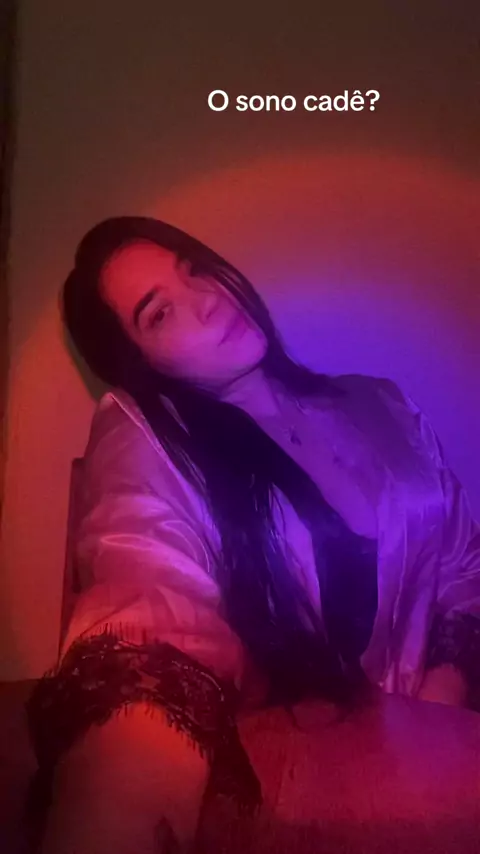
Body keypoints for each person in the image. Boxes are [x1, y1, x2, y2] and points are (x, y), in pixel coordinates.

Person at [27, 217, 480, 853]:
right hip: (292, 795)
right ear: (141, 363)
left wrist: (441, 697)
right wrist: (116, 805)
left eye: (194, 270)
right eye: (160, 313)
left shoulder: (383, 404)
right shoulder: (147, 438)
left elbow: (465, 567)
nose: (209, 300)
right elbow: (149, 607)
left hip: (443, 762)